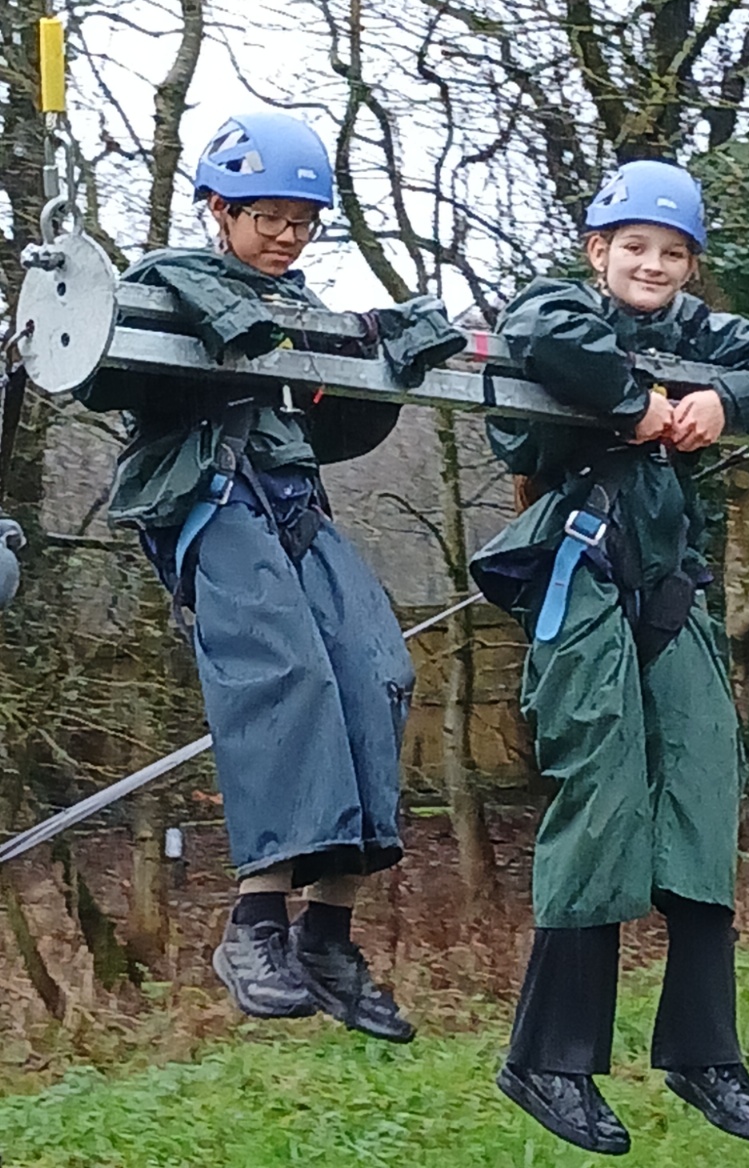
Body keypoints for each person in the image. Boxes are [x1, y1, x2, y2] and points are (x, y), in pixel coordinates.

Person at [79, 110, 463, 1039]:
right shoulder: (172, 281)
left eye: (302, 221)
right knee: (286, 673)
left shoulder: (298, 314)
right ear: (219, 209)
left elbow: (330, 417)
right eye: (268, 218)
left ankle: (326, 932)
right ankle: (255, 922)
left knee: (377, 672)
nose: (287, 236)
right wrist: (242, 329)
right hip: (214, 499)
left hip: (294, 504)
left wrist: (380, 350)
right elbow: (106, 353)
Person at [471, 160, 749, 1154]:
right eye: (634, 247)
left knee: (706, 785)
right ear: (599, 251)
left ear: (691, 265)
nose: (653, 265)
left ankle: (705, 1053)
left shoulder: (701, 334)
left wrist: (723, 401)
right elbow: (541, 332)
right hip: (584, 573)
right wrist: (637, 402)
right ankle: (549, 1057)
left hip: (670, 591)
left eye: (672, 253)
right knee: (606, 796)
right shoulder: (561, 308)